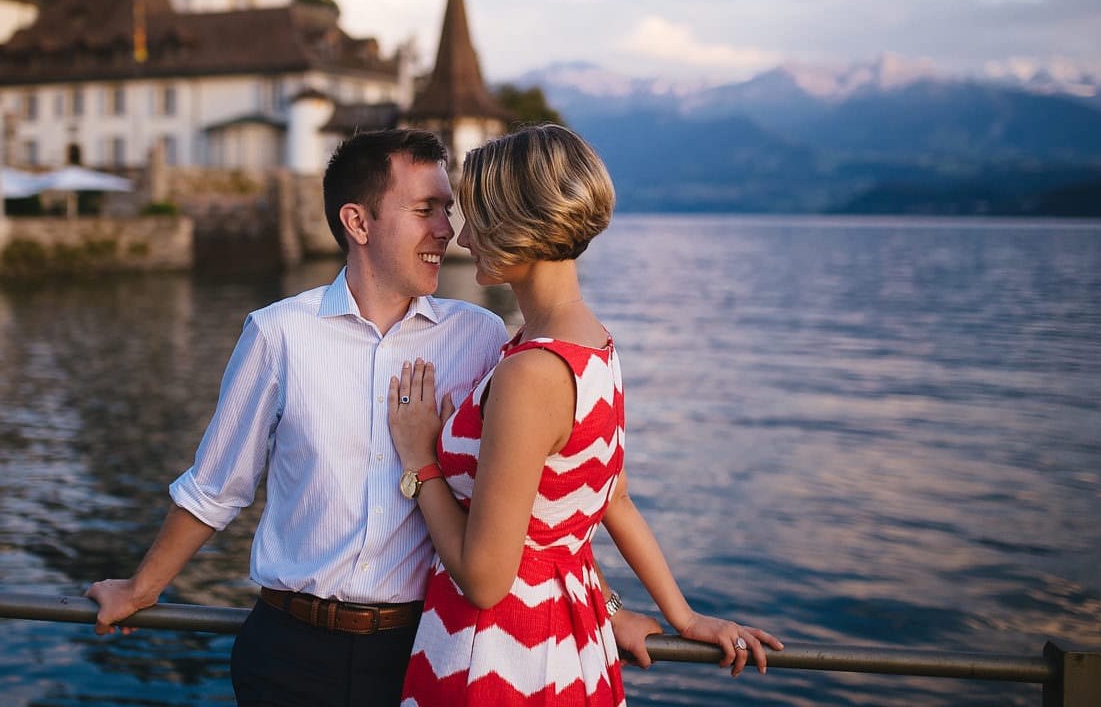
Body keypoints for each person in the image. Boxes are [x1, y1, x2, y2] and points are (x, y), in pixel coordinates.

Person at [85, 128, 511, 706]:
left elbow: (531, 491)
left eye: (447, 209)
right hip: (289, 656)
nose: (447, 230)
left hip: (426, 650)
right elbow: (217, 487)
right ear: (357, 223)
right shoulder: (277, 332)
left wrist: (607, 609)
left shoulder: (479, 336)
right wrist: (140, 589)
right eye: (425, 210)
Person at [388, 124, 783, 705]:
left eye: (477, 219)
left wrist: (421, 463)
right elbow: (606, 503)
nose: (464, 238)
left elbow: (485, 578)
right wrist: (678, 613)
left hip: (500, 660)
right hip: (571, 642)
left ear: (517, 229)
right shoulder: (593, 347)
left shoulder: (531, 373)